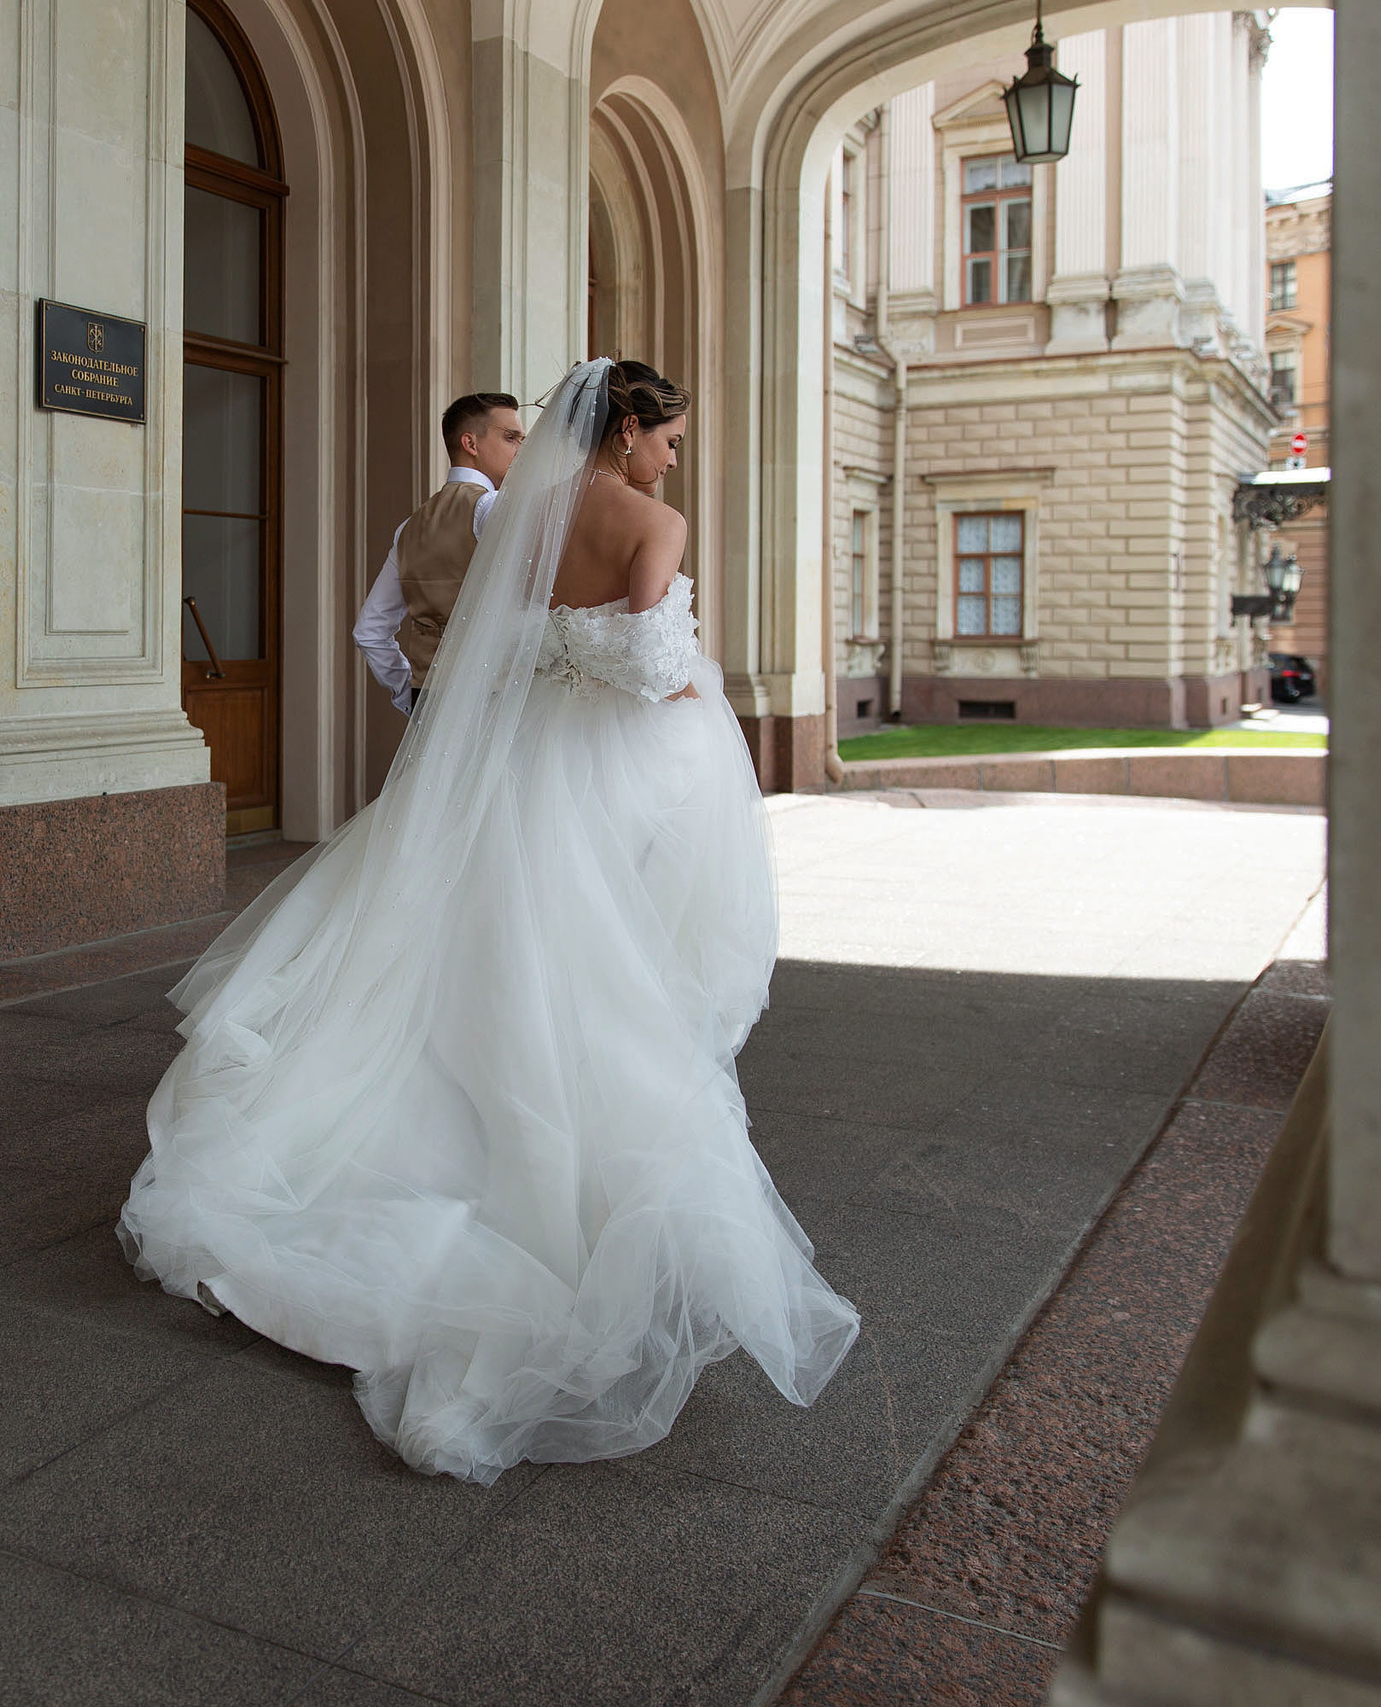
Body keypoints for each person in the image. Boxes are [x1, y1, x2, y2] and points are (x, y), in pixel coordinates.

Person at [119, 359, 858, 1485]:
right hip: (607, 773)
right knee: (597, 975)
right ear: (626, 429)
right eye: (665, 436)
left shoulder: (525, 518)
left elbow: (488, 648)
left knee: (478, 952)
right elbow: (656, 670)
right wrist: (682, 689)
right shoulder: (653, 521)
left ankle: (437, 1138)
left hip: (518, 767)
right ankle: (547, 1193)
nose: (672, 456)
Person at [352, 393, 527, 715]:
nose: (521, 449)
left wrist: (410, 695)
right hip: (493, 697)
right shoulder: (494, 509)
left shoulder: (409, 526)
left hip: (429, 695)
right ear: (470, 443)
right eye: (511, 438)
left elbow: (369, 631)